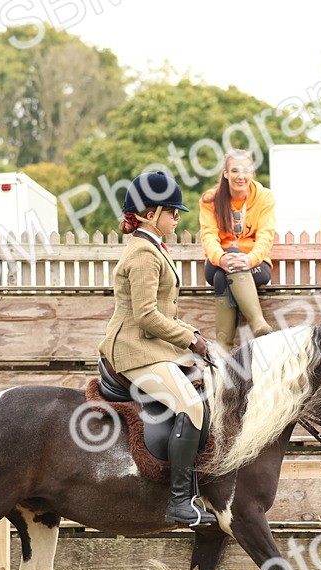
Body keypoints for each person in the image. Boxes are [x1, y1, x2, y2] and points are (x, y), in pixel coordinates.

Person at [99, 171, 217, 527]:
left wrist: (197, 336)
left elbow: (166, 313)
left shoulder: (153, 248)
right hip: (134, 349)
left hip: (154, 344)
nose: (178, 218)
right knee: (191, 406)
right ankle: (179, 502)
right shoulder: (143, 255)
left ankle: (193, 491)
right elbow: (147, 316)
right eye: (173, 212)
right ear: (151, 214)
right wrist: (190, 341)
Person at [199, 149, 275, 350]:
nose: (240, 176)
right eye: (234, 171)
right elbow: (208, 235)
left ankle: (223, 346)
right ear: (225, 173)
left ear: (252, 172)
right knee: (224, 266)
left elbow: (266, 235)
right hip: (218, 263)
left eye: (245, 170)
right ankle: (258, 323)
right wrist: (221, 258)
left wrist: (250, 259)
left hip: (255, 265)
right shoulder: (210, 199)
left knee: (221, 279)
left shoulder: (264, 197)